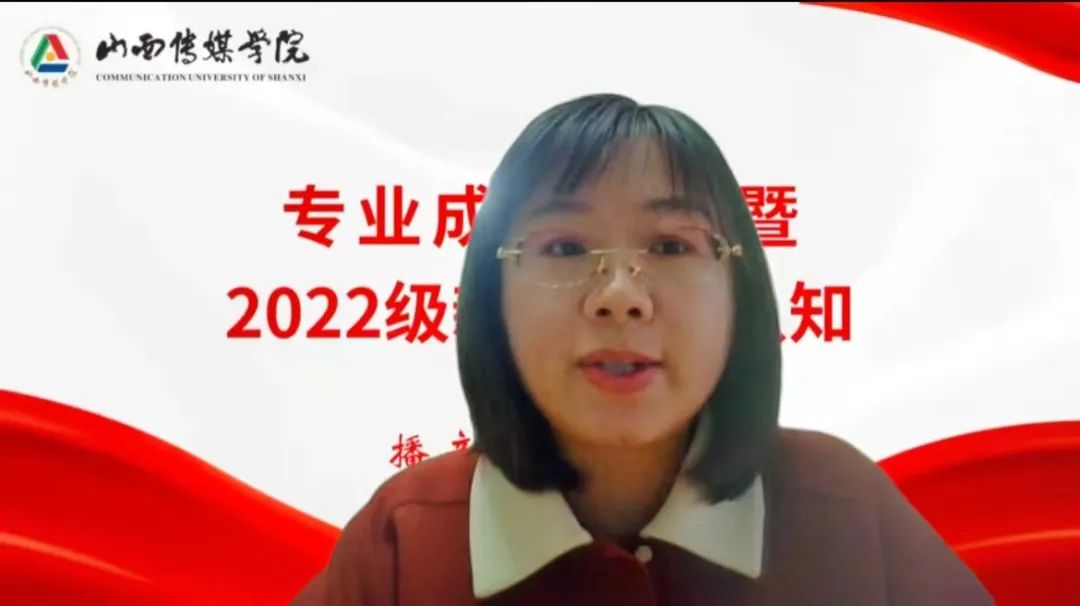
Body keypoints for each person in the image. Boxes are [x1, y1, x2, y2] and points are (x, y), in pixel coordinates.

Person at [292, 93, 995, 605]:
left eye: (670, 246)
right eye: (565, 247)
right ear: (490, 295)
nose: (620, 296)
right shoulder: (410, 540)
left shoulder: (840, 510)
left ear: (740, 289)